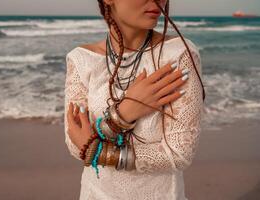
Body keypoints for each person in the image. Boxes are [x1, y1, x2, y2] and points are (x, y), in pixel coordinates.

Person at [64, 0, 205, 199]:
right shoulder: (81, 59)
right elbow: (74, 142)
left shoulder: (178, 54)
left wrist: (99, 152)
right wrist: (123, 114)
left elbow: (179, 153)